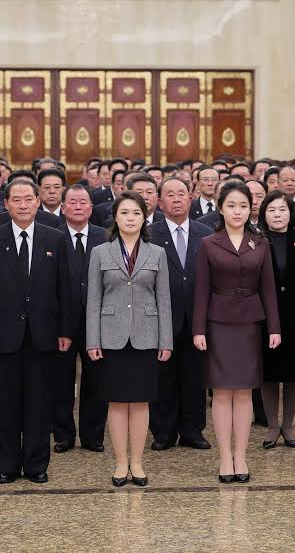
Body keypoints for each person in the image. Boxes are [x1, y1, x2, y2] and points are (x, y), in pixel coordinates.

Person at [192, 182, 281, 483]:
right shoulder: (208, 243)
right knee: (221, 391)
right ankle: (224, 458)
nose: (237, 211)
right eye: (231, 205)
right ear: (220, 208)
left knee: (244, 391)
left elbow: (269, 289)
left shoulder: (260, 243)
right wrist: (198, 329)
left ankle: (240, 457)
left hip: (249, 323)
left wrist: (274, 327)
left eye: (243, 206)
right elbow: (201, 290)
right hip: (217, 323)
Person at [86, 190, 173, 487]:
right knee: (116, 402)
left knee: (140, 402)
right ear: (115, 217)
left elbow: (164, 300)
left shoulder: (157, 252)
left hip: (146, 336)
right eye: (124, 212)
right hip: (111, 336)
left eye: (136, 213)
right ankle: (120, 463)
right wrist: (93, 340)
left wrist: (166, 341)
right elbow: (93, 300)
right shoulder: (100, 252)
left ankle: (137, 462)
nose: (130, 218)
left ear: (144, 217)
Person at [0, 178, 73, 484]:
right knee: (5, 405)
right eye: (16, 200)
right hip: (5, 335)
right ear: (6, 204)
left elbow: (65, 288)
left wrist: (66, 330)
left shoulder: (55, 239)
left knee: (39, 403)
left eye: (28, 199)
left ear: (38, 201)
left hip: (43, 334)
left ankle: (36, 464)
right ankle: (6, 465)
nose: (23, 205)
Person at [149, 177, 213, 451]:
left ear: (190, 198)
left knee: (194, 377)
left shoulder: (206, 233)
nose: (176, 199)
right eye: (170, 195)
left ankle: (192, 430)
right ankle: (163, 432)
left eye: (181, 194)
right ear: (160, 202)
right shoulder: (149, 234)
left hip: (197, 317)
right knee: (162, 378)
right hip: (161, 317)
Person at [53, 184, 108, 454]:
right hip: (61, 322)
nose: (77, 207)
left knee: (96, 380)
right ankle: (63, 435)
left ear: (91, 207)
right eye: (72, 202)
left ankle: (92, 436)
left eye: (83, 202)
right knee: (61, 381)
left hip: (97, 321)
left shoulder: (105, 237)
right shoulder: (52, 236)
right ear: (63, 207)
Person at [258, 191, 295, 449]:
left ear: (291, 213)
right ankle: (272, 425)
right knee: (269, 373)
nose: (277, 215)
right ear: (263, 214)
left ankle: (288, 425)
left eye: (282, 209)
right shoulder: (256, 241)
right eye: (272, 210)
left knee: (294, 373)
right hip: (264, 316)